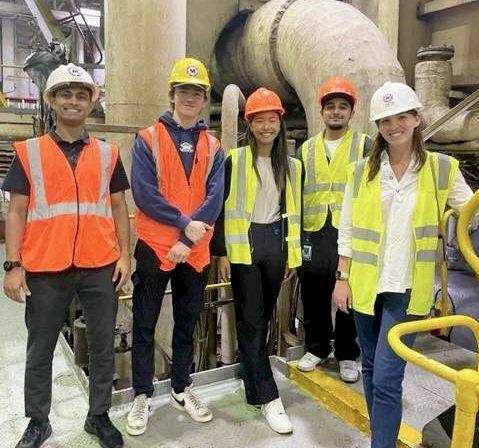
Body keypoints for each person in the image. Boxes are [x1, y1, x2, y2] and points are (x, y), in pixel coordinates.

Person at [333, 81, 476, 448]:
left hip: (408, 291)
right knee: (369, 367)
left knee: (385, 374)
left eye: (401, 117)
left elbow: (471, 213)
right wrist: (342, 278)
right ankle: (381, 435)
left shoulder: (441, 169)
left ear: (416, 118)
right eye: (384, 120)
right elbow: (347, 229)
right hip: (365, 287)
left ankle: (381, 444)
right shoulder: (360, 171)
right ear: (377, 126)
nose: (393, 126)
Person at [2, 63, 131, 448]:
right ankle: (38, 421)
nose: (73, 101)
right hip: (44, 267)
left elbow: (119, 207)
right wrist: (13, 264)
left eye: (81, 95)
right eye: (65, 94)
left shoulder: (108, 154)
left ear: (91, 103)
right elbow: (17, 211)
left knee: (103, 344)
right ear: (52, 101)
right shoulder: (29, 153)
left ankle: (99, 416)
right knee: (40, 347)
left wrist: (125, 255)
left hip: (99, 265)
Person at [126, 57, 224, 436]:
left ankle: (182, 388)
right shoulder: (148, 138)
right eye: (184, 90)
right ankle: (142, 393)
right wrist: (184, 226)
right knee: (144, 323)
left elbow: (215, 198)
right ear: (172, 95)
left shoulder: (213, 145)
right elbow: (145, 195)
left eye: (196, 92)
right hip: (155, 248)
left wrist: (187, 239)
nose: (189, 97)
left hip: (194, 252)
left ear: (204, 100)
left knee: (186, 322)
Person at [212, 87, 302, 434]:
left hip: (276, 246)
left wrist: (291, 256)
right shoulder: (234, 159)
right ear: (250, 125)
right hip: (244, 246)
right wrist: (221, 252)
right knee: (250, 319)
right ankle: (267, 395)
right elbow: (221, 208)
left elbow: (294, 213)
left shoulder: (292, 166)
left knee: (261, 320)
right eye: (259, 121)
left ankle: (251, 384)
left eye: (271, 120)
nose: (266, 127)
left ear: (280, 123)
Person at [297, 77, 372, 382]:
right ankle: (316, 347)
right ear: (322, 111)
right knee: (313, 292)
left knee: (347, 296)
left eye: (343, 107)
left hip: (349, 231)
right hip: (314, 231)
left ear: (351, 113)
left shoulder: (365, 145)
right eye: (331, 107)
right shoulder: (306, 149)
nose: (337, 112)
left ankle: (347, 354)